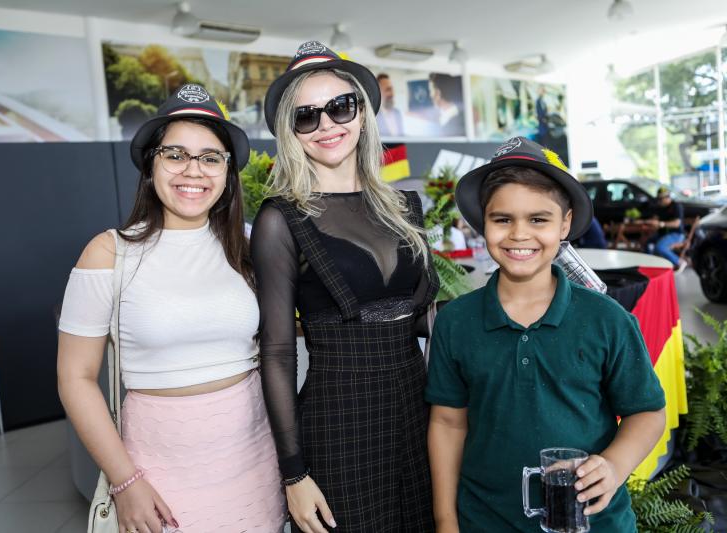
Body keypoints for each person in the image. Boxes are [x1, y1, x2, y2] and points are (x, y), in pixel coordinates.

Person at [57, 84, 286, 533]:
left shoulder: (247, 246)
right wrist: (125, 482)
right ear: (151, 164)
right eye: (175, 154)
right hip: (156, 473)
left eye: (210, 158)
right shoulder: (109, 252)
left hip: (255, 461)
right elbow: (75, 378)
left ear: (227, 172)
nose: (193, 170)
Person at [426, 136, 667, 532]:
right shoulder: (456, 321)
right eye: (503, 219)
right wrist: (446, 520)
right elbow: (449, 423)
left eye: (538, 219)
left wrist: (615, 465)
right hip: (485, 522)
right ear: (483, 223)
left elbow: (648, 412)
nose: (519, 234)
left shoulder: (607, 319)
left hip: (594, 523)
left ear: (565, 224)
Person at [253, 41, 439, 532]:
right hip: (340, 422)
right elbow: (277, 353)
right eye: (306, 116)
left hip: (419, 410)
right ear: (290, 132)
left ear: (362, 113)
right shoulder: (281, 219)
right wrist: (294, 474)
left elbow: (426, 315)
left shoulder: (405, 207)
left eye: (339, 106)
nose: (326, 124)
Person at [646, 186, 685, 269]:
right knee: (648, 243)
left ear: (668, 197)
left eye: (661, 199)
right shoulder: (660, 208)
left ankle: (679, 262)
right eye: (658, 199)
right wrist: (653, 222)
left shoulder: (676, 206)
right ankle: (651, 265)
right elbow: (655, 220)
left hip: (676, 234)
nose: (659, 201)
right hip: (663, 234)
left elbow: (677, 224)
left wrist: (662, 224)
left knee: (660, 247)